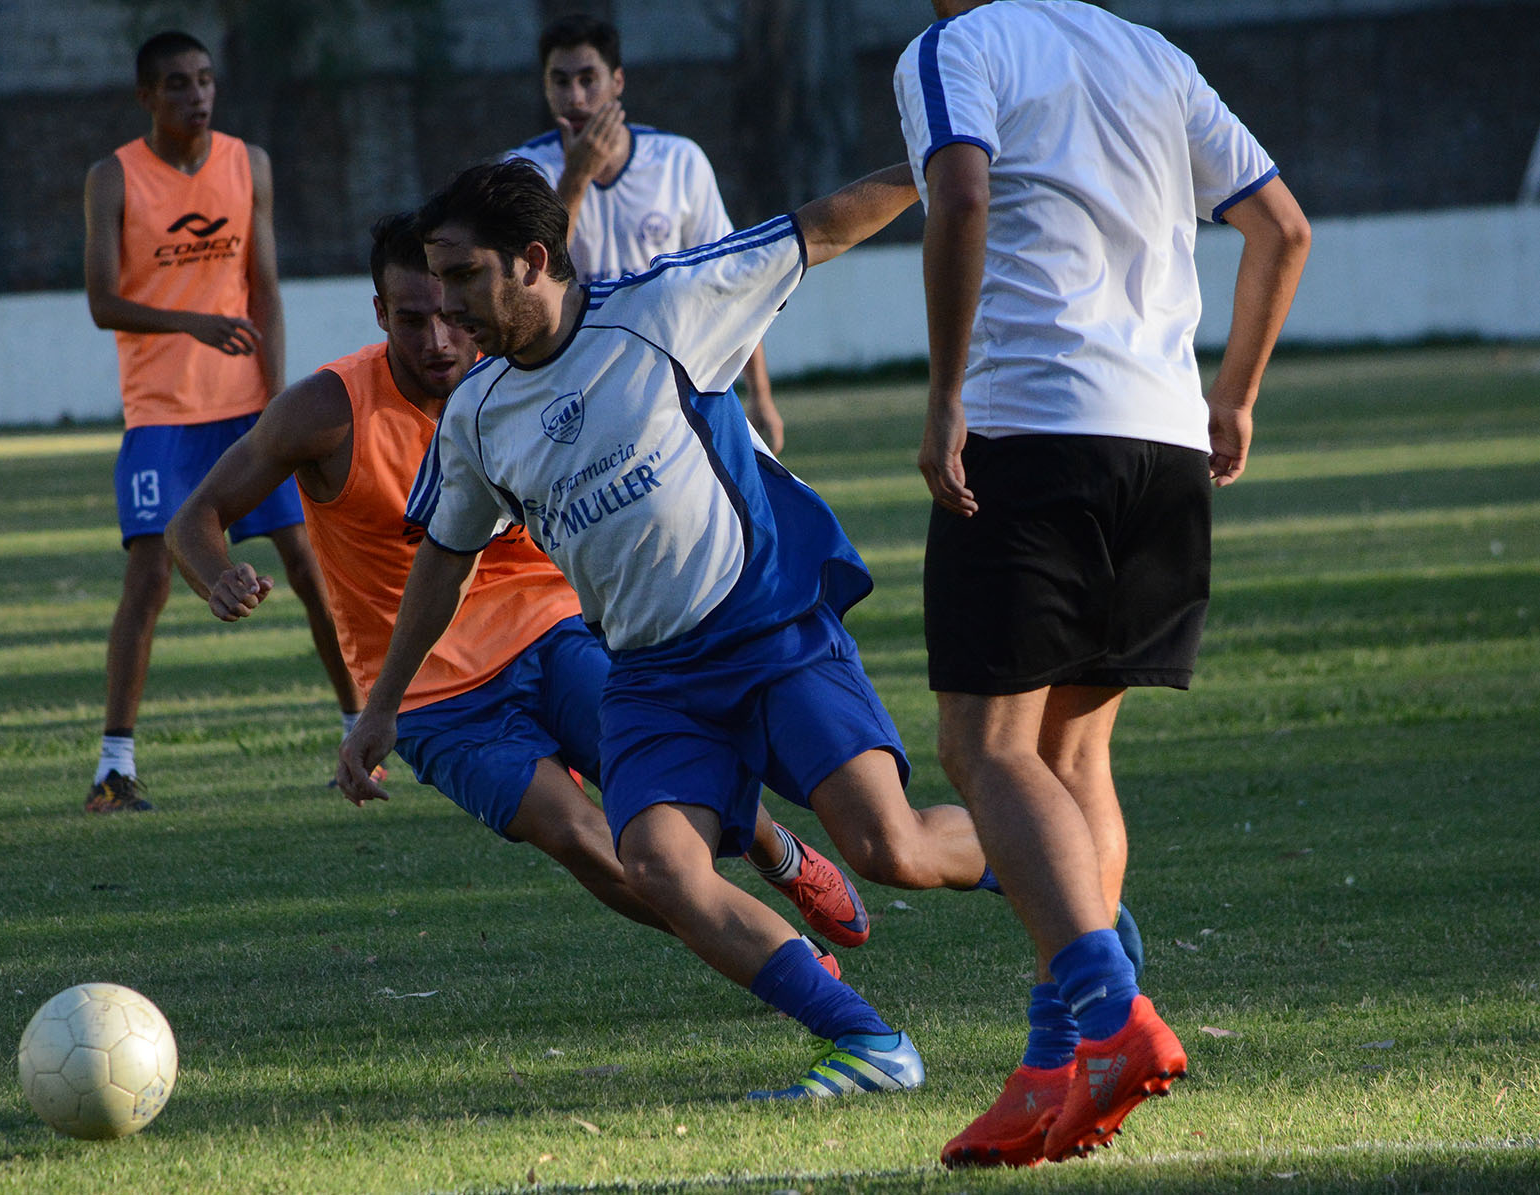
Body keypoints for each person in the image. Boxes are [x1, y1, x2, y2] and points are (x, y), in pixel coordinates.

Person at [338, 159, 998, 1100]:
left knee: (886, 847)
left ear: (531, 260)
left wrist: (942, 160)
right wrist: (382, 707)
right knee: (657, 864)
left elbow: (819, 226)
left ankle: (1051, 861)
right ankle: (870, 1044)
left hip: (767, 625)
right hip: (648, 673)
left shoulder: (663, 309)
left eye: (462, 278)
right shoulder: (475, 416)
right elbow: (444, 558)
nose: (445, 309)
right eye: (434, 283)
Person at [165, 212, 868, 969]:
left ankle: (776, 851)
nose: (437, 341)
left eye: (448, 317)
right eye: (410, 320)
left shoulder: (521, 386)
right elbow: (194, 517)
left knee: (674, 770)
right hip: (434, 693)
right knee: (580, 837)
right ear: (379, 314)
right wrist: (217, 575)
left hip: (550, 627)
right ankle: (786, 960)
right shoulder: (326, 410)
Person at [897, 0, 1311, 1166]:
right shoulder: (1152, 53)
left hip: (1033, 431)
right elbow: (1280, 227)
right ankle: (1051, 1067)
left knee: (984, 750)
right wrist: (1230, 396)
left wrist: (942, 396)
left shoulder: (953, 48)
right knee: (1075, 755)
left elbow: (961, 194)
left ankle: (1108, 1012)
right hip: (1165, 444)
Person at [80, 30, 362, 813]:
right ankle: (113, 766)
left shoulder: (249, 164)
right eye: (177, 84)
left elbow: (264, 290)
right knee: (149, 576)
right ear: (147, 97)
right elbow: (102, 301)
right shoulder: (113, 178)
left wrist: (279, 403)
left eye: (204, 80)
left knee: (311, 571)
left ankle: (360, 733)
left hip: (246, 412)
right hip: (162, 415)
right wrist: (190, 324)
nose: (196, 95)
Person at [507, 14, 783, 453]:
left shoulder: (678, 160)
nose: (575, 97)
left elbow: (729, 282)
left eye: (588, 79)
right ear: (544, 86)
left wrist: (761, 395)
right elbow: (526, 280)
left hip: (675, 383)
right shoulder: (522, 172)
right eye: (560, 81)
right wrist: (576, 178)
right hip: (575, 390)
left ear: (617, 82)